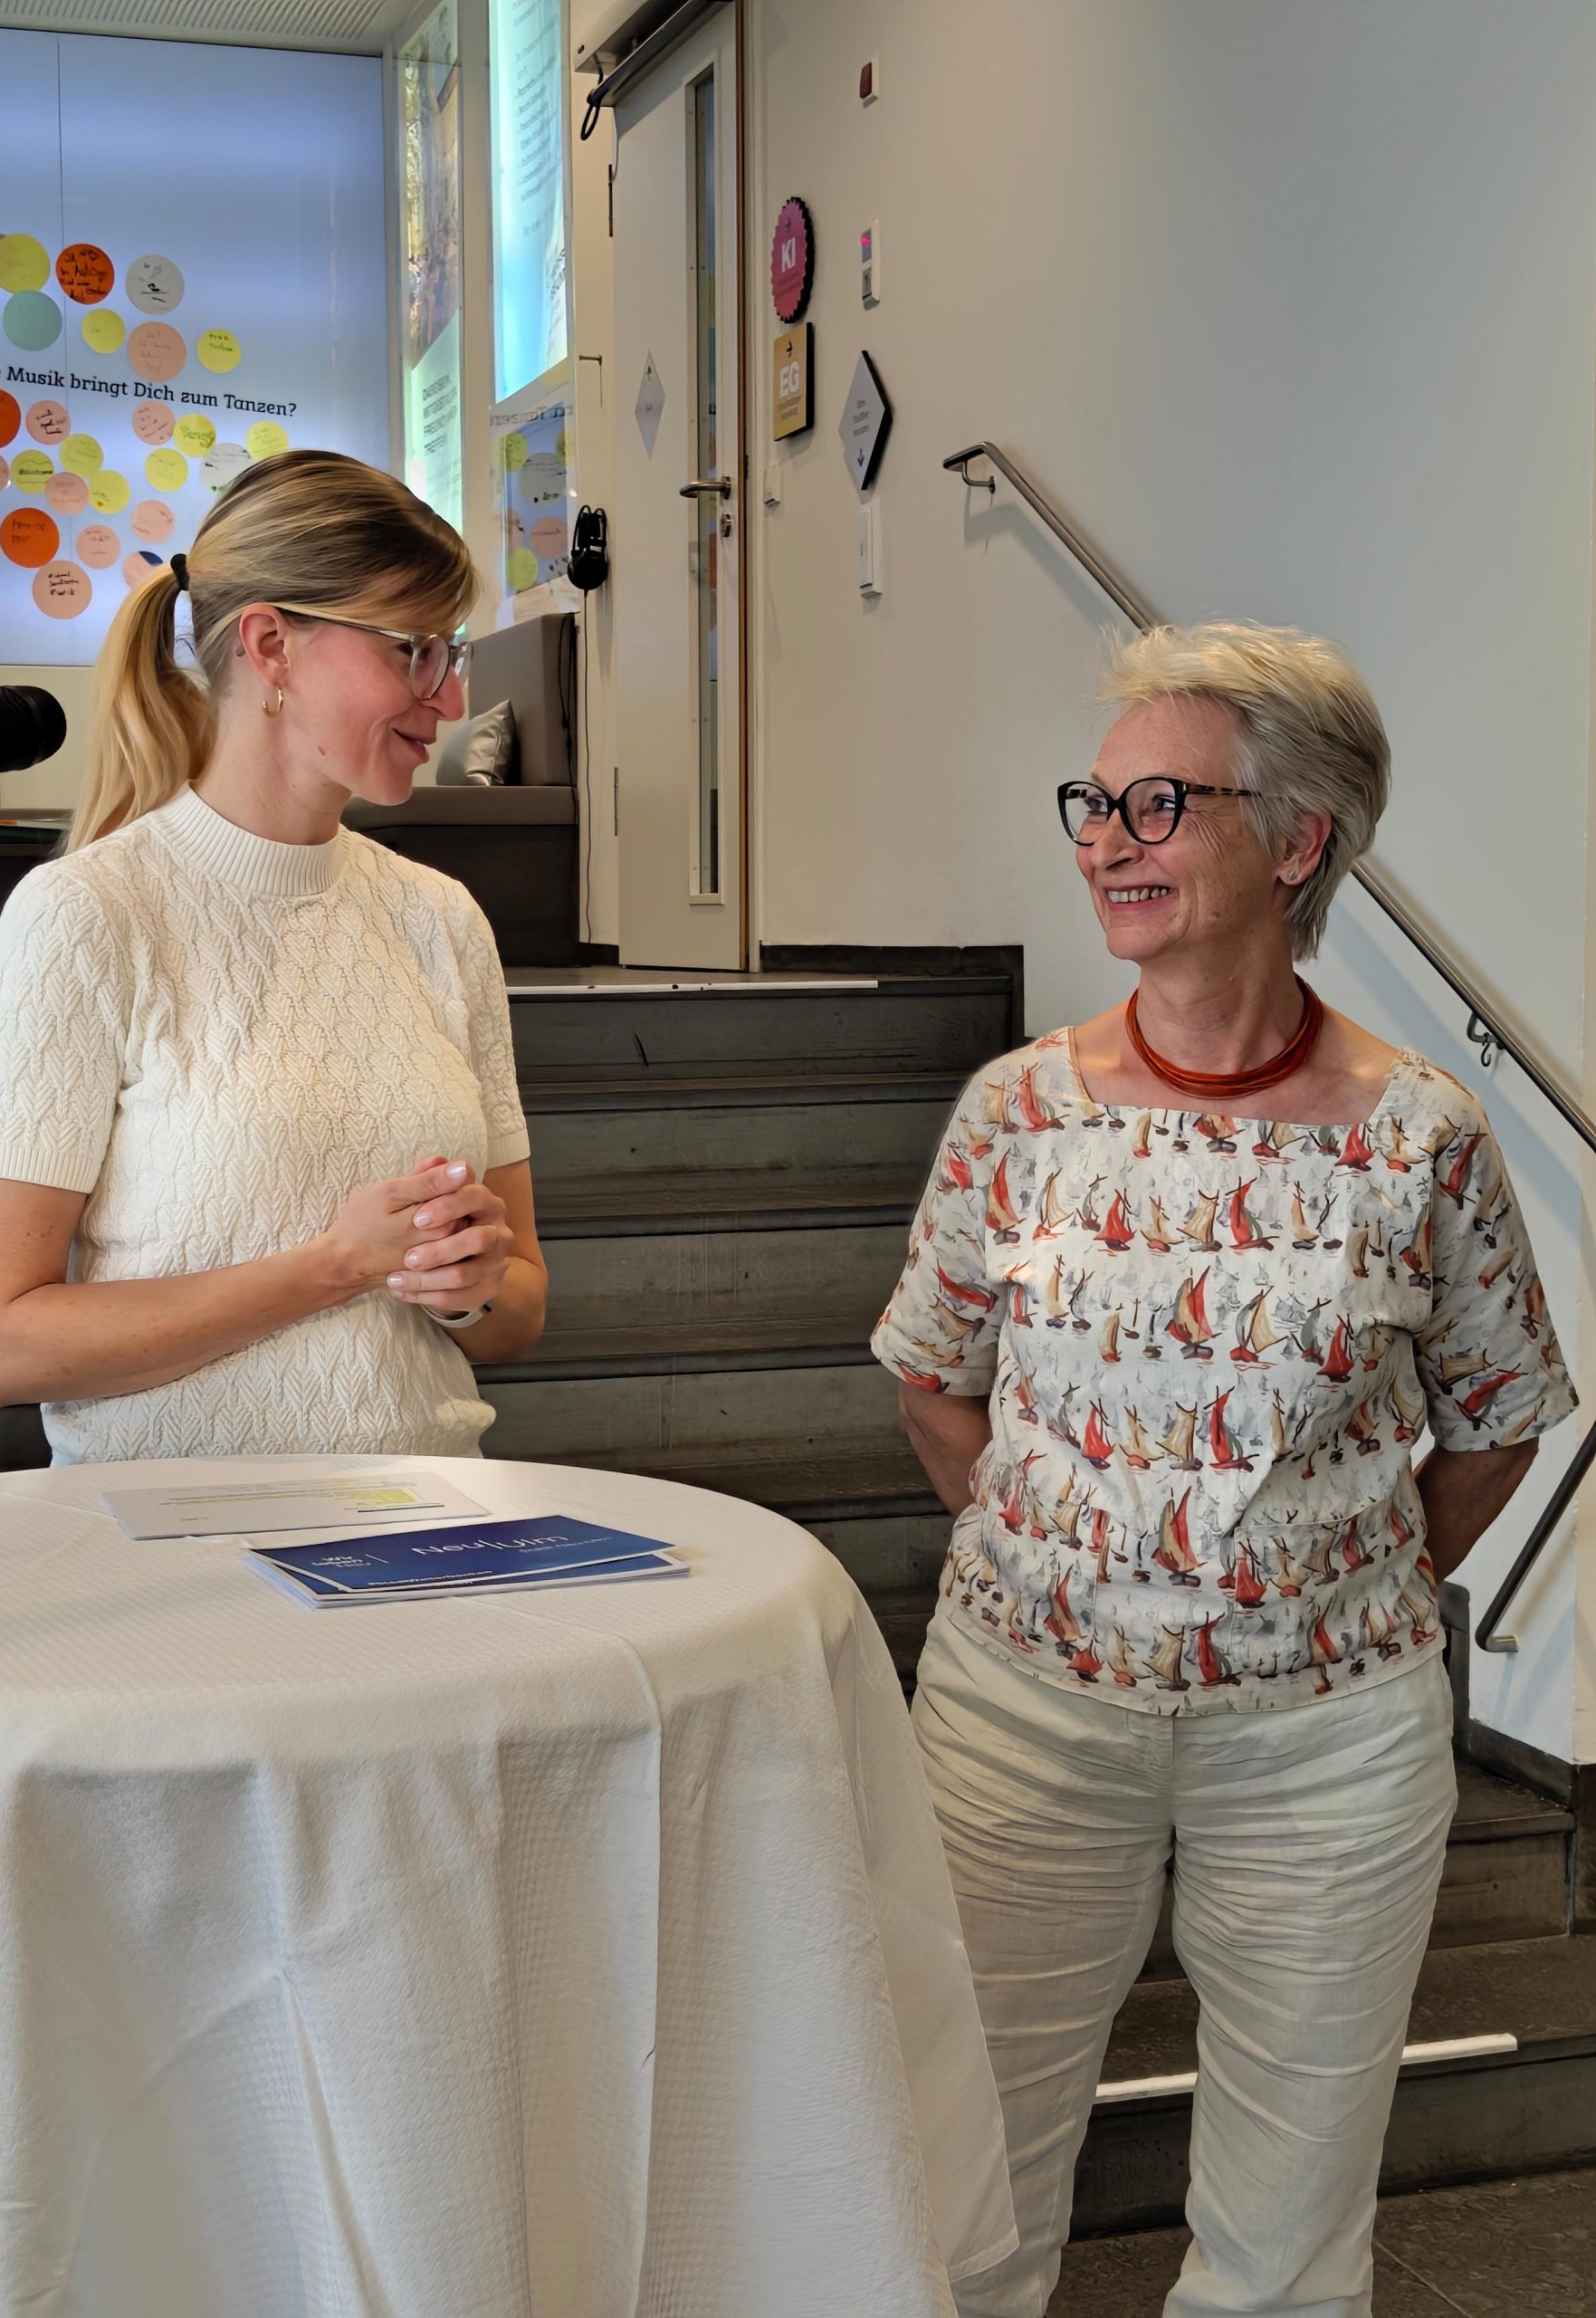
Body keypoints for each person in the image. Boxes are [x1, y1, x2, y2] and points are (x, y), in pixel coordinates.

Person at [873, 622, 1575, 2317]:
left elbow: (1501, 1413)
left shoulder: (1423, 1134)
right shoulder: (1016, 1112)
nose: (1107, 841)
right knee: (961, 2174)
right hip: (1023, 1716)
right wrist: (1070, 1563)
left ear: (1298, 839)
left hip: (1330, 1743)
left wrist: (1332, 1580)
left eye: (1161, 803)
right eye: (1097, 802)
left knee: (1292, 2225)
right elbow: (932, 1382)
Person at [0, 449, 546, 1462]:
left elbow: (520, 1312)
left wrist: (465, 1288)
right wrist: (336, 1265)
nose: (447, 701)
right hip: (172, 1532)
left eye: (452, 654)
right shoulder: (86, 916)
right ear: (271, 645)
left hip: (428, 1516)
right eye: (414, 651)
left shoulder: (441, 918)